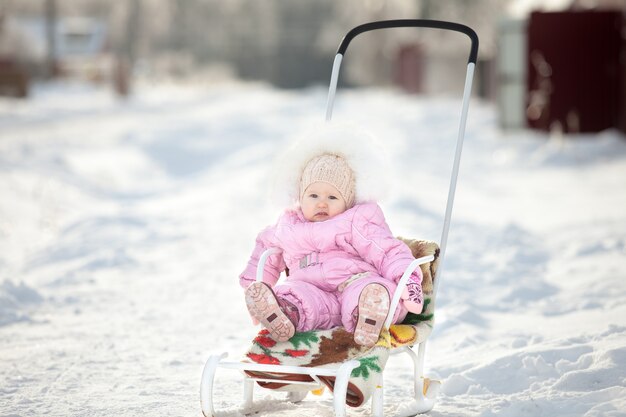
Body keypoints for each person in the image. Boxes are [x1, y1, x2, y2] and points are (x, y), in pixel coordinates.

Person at [239, 125, 423, 347]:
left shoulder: (357, 219)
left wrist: (408, 280)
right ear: (300, 196)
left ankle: (368, 316)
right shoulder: (288, 225)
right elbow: (264, 252)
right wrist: (253, 284)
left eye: (333, 197)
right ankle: (284, 312)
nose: (322, 203)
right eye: (313, 195)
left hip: (354, 282)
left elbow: (387, 250)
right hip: (311, 288)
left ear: (347, 201)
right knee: (294, 293)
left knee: (372, 289)